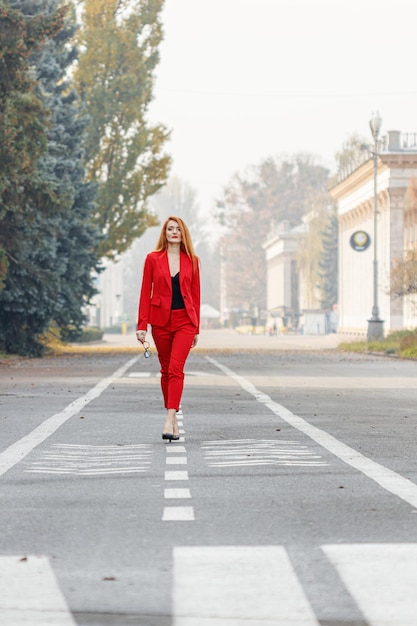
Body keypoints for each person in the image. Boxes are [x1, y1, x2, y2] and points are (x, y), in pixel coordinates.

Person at [136, 216, 200, 442]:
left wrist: (196, 329)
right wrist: (142, 325)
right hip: (161, 321)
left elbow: (195, 295)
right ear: (164, 233)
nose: (174, 232)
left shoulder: (192, 260)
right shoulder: (153, 259)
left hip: (185, 321)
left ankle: (169, 416)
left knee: (176, 369)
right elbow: (145, 292)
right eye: (170, 229)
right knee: (165, 370)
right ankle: (172, 419)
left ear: (183, 234)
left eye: (178, 229)